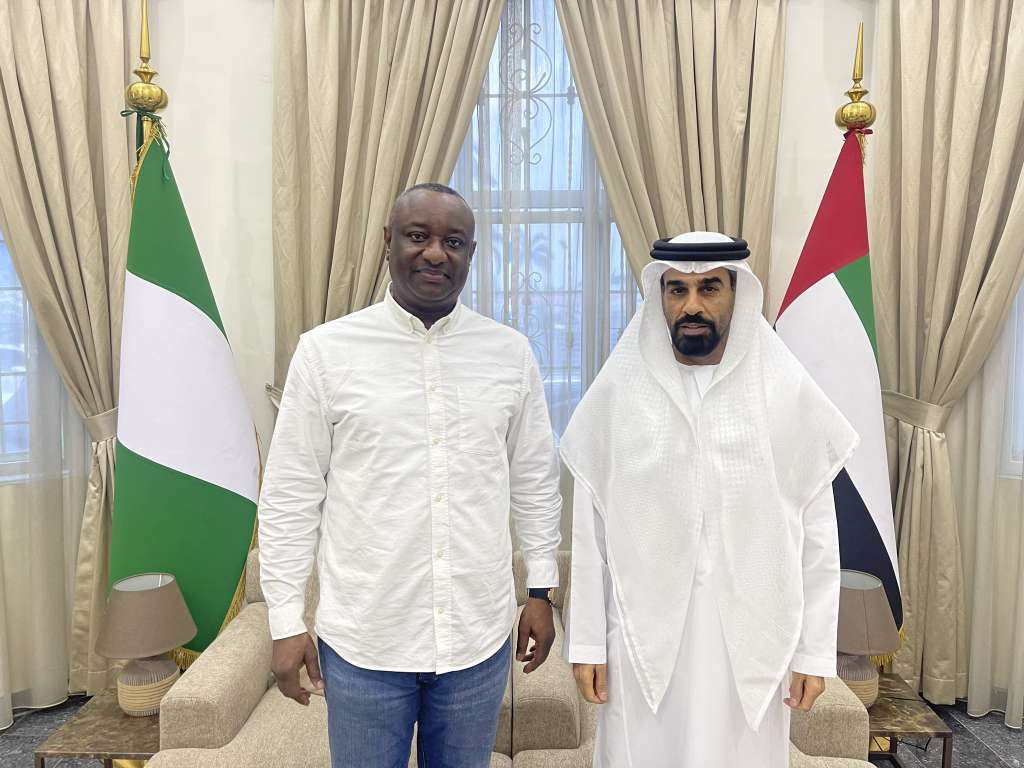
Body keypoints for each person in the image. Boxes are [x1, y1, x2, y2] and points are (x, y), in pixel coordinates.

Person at [258, 183, 562, 768]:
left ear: (471, 253)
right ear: (387, 243)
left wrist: (541, 591)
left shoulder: (510, 354)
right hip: (366, 642)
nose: (435, 253)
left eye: (454, 241)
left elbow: (534, 481)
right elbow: (291, 496)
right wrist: (284, 620)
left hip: (476, 641)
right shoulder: (325, 353)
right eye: (418, 236)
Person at [561, 231, 858, 767]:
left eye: (709, 288)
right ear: (660, 296)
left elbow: (817, 535)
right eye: (677, 289)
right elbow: (590, 531)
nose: (691, 305)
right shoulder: (620, 394)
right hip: (641, 646)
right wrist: (586, 643)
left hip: (750, 645)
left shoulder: (783, 391)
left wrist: (814, 651)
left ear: (737, 294)